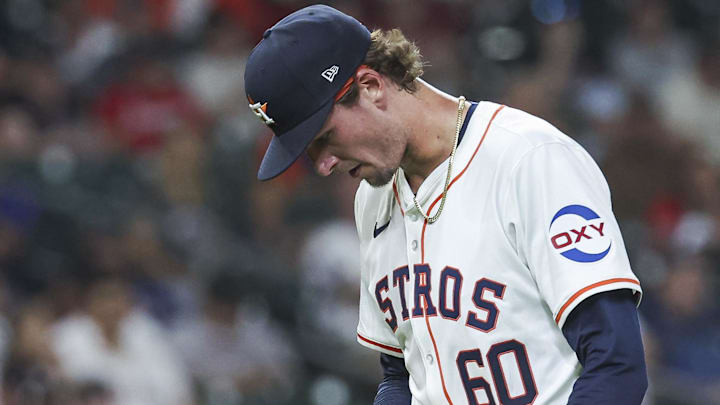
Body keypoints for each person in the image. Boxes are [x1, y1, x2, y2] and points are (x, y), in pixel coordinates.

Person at [244, 5, 647, 405]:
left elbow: (616, 366)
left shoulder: (530, 160)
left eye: (323, 137)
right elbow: (401, 376)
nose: (324, 164)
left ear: (370, 86)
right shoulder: (372, 198)